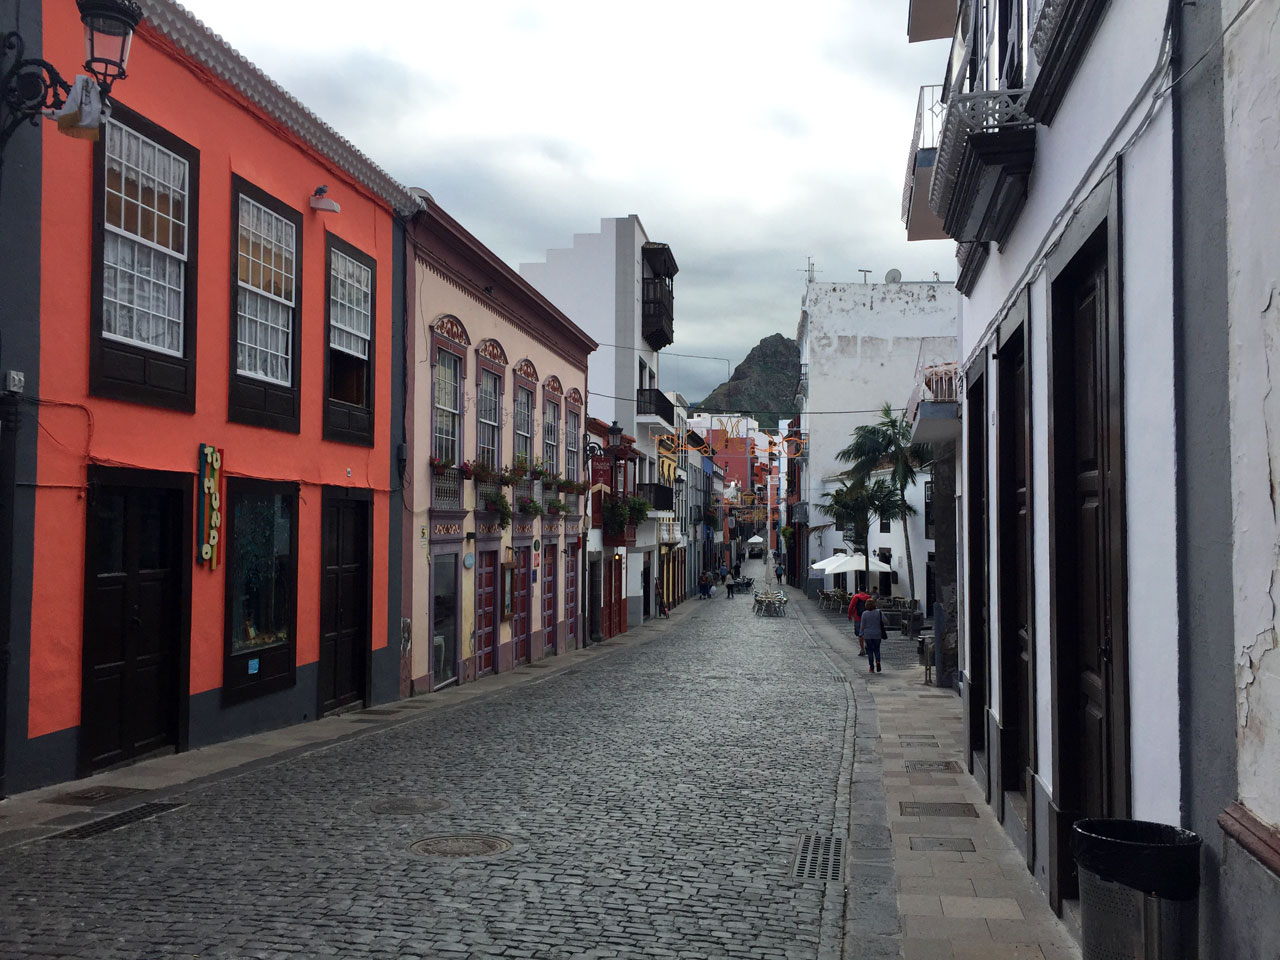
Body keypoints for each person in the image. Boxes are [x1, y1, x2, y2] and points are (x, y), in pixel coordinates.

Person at [860, 598, 886, 673]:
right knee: (877, 649)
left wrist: (861, 634)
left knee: (870, 651)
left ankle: (871, 667)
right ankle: (878, 661)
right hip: (877, 634)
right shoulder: (879, 612)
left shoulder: (864, 614)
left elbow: (862, 625)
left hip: (868, 635)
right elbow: (886, 621)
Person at [847, 589, 871, 655]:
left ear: (859, 590)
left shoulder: (856, 597)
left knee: (860, 634)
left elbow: (850, 607)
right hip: (867, 618)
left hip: (858, 617)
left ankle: (862, 649)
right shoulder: (869, 597)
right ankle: (867, 646)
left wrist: (849, 615)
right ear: (865, 590)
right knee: (866, 633)